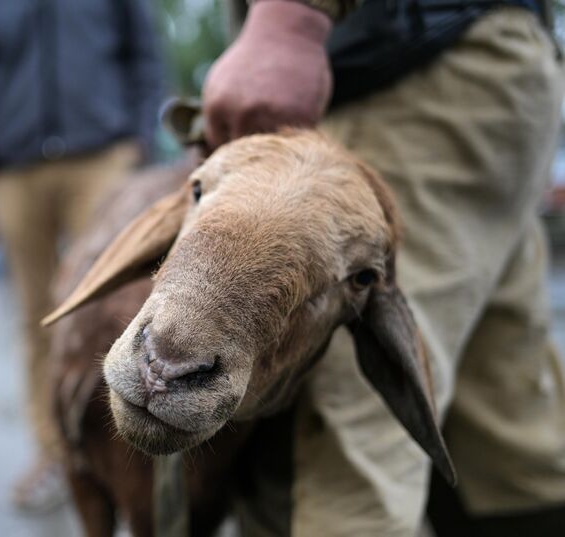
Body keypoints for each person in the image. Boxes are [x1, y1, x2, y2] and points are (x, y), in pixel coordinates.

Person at [184, 0, 565, 535]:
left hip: (410, 65)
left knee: (349, 442)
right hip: (494, 68)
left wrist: (290, 18)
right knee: (504, 424)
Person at [0, 0, 164, 513]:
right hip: (13, 167)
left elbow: (145, 55)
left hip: (102, 156)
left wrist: (140, 142)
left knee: (122, 306)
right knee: (38, 315)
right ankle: (55, 454)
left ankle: (130, 452)